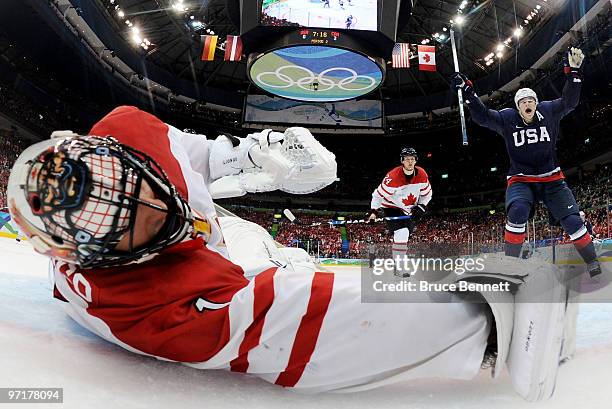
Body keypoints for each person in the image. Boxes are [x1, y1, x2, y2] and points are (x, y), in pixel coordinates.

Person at [6, 106, 570, 400]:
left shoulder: (130, 130)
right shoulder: (134, 307)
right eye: (129, 226)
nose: (158, 210)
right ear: (89, 258)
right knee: (284, 271)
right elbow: (301, 325)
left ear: (112, 152)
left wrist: (254, 158)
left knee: (272, 252)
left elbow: (193, 155)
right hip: (229, 268)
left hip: (230, 236)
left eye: (141, 186)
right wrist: (473, 315)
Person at [451, 47, 601, 278]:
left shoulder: (548, 110)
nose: (528, 104)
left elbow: (570, 102)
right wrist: (469, 94)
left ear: (536, 103)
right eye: (523, 101)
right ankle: (511, 267)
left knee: (572, 221)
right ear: (518, 106)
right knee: (518, 211)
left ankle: (592, 262)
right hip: (521, 179)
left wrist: (574, 74)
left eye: (531, 100)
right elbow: (482, 117)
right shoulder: (507, 117)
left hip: (552, 178)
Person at [367, 147, 432, 271]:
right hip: (391, 206)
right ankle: (399, 266)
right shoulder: (392, 177)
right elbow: (377, 195)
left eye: (412, 159)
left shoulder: (422, 174)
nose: (410, 162)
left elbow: (427, 195)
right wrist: (374, 212)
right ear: (402, 161)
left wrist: (422, 206)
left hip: (409, 209)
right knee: (402, 232)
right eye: (407, 159)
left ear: (415, 161)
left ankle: (399, 263)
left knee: (405, 234)